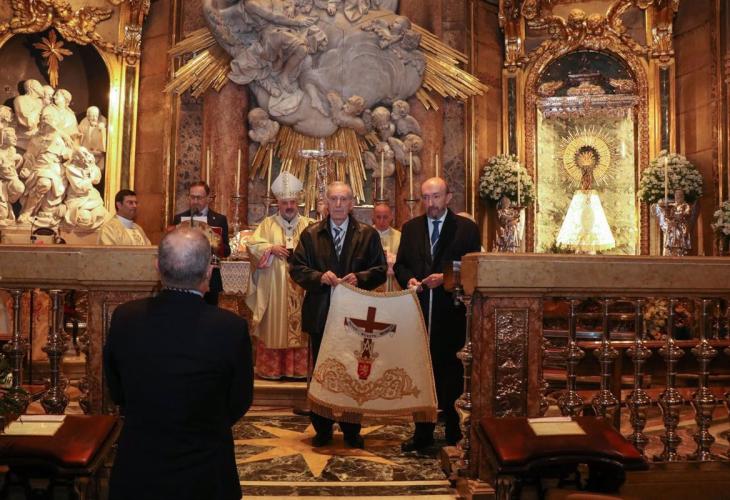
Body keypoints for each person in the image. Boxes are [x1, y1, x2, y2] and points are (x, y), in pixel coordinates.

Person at [103, 227, 253, 500]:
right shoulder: (230, 328)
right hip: (207, 472)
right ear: (209, 271)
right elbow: (240, 399)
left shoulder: (125, 318)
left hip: (139, 470)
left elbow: (116, 390)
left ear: (157, 267)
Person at [290, 181, 386, 448]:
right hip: (322, 314)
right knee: (323, 372)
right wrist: (319, 277)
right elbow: (296, 269)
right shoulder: (311, 234)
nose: (339, 204)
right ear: (326, 203)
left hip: (356, 318)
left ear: (352, 203)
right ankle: (322, 427)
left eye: (344, 199)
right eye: (334, 199)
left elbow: (380, 270)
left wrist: (361, 277)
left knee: (354, 371)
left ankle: (352, 429)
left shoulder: (368, 234)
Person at [394, 177, 481, 452]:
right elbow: (400, 265)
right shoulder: (411, 228)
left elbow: (473, 267)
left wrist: (444, 278)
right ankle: (422, 433)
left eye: (436, 196)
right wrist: (409, 279)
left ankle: (454, 432)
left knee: (451, 374)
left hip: (451, 313)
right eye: (426, 197)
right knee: (421, 374)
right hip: (419, 313)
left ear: (448, 197)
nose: (430, 203)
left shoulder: (466, 228)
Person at [246, 171, 313, 379]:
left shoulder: (310, 225)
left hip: (303, 288)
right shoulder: (267, 224)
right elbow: (252, 245)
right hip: (274, 288)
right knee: (274, 327)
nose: (289, 206)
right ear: (278, 204)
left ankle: (299, 370)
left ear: (298, 202)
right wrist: (270, 248)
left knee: (303, 326)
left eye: (292, 202)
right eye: (285, 203)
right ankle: (273, 369)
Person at [173, 181, 231, 305]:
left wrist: (218, 243)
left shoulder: (219, 219)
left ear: (208, 198)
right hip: (185, 276)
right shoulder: (179, 219)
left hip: (210, 277)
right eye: (192, 197)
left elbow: (226, 252)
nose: (195, 201)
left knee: (209, 314)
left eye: (199, 198)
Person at [372, 203, 401, 291]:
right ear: (373, 218)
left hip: (392, 283)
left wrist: (391, 259)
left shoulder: (400, 236)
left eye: (385, 217)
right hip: (371, 284)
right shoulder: (365, 235)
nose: (381, 221)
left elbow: (404, 261)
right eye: (378, 217)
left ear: (391, 217)